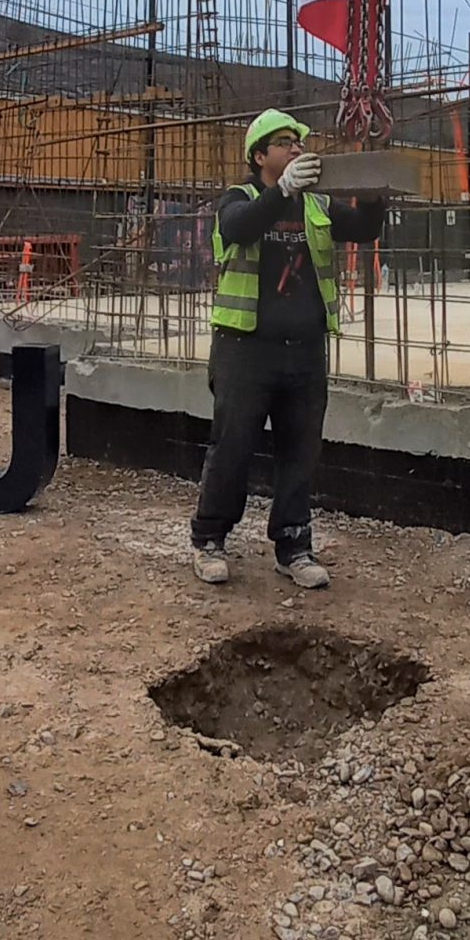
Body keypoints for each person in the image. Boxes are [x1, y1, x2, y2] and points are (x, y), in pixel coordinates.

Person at [190, 108, 386, 589]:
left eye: (299, 142)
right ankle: (210, 539)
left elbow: (364, 228)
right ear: (260, 156)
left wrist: (379, 189)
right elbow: (238, 228)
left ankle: (294, 546)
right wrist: (282, 191)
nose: (297, 149)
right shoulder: (239, 199)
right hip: (245, 351)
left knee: (300, 452)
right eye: (284, 143)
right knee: (232, 447)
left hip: (304, 353)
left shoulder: (316, 206)